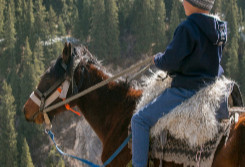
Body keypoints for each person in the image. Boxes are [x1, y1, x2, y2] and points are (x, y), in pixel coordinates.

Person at [131, 0, 227, 166]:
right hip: (210, 86)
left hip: (186, 89)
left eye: (185, 0)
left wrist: (157, 59)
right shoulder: (219, 28)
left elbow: (170, 62)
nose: (182, 3)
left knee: (139, 120)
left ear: (195, 3)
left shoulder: (187, 28)